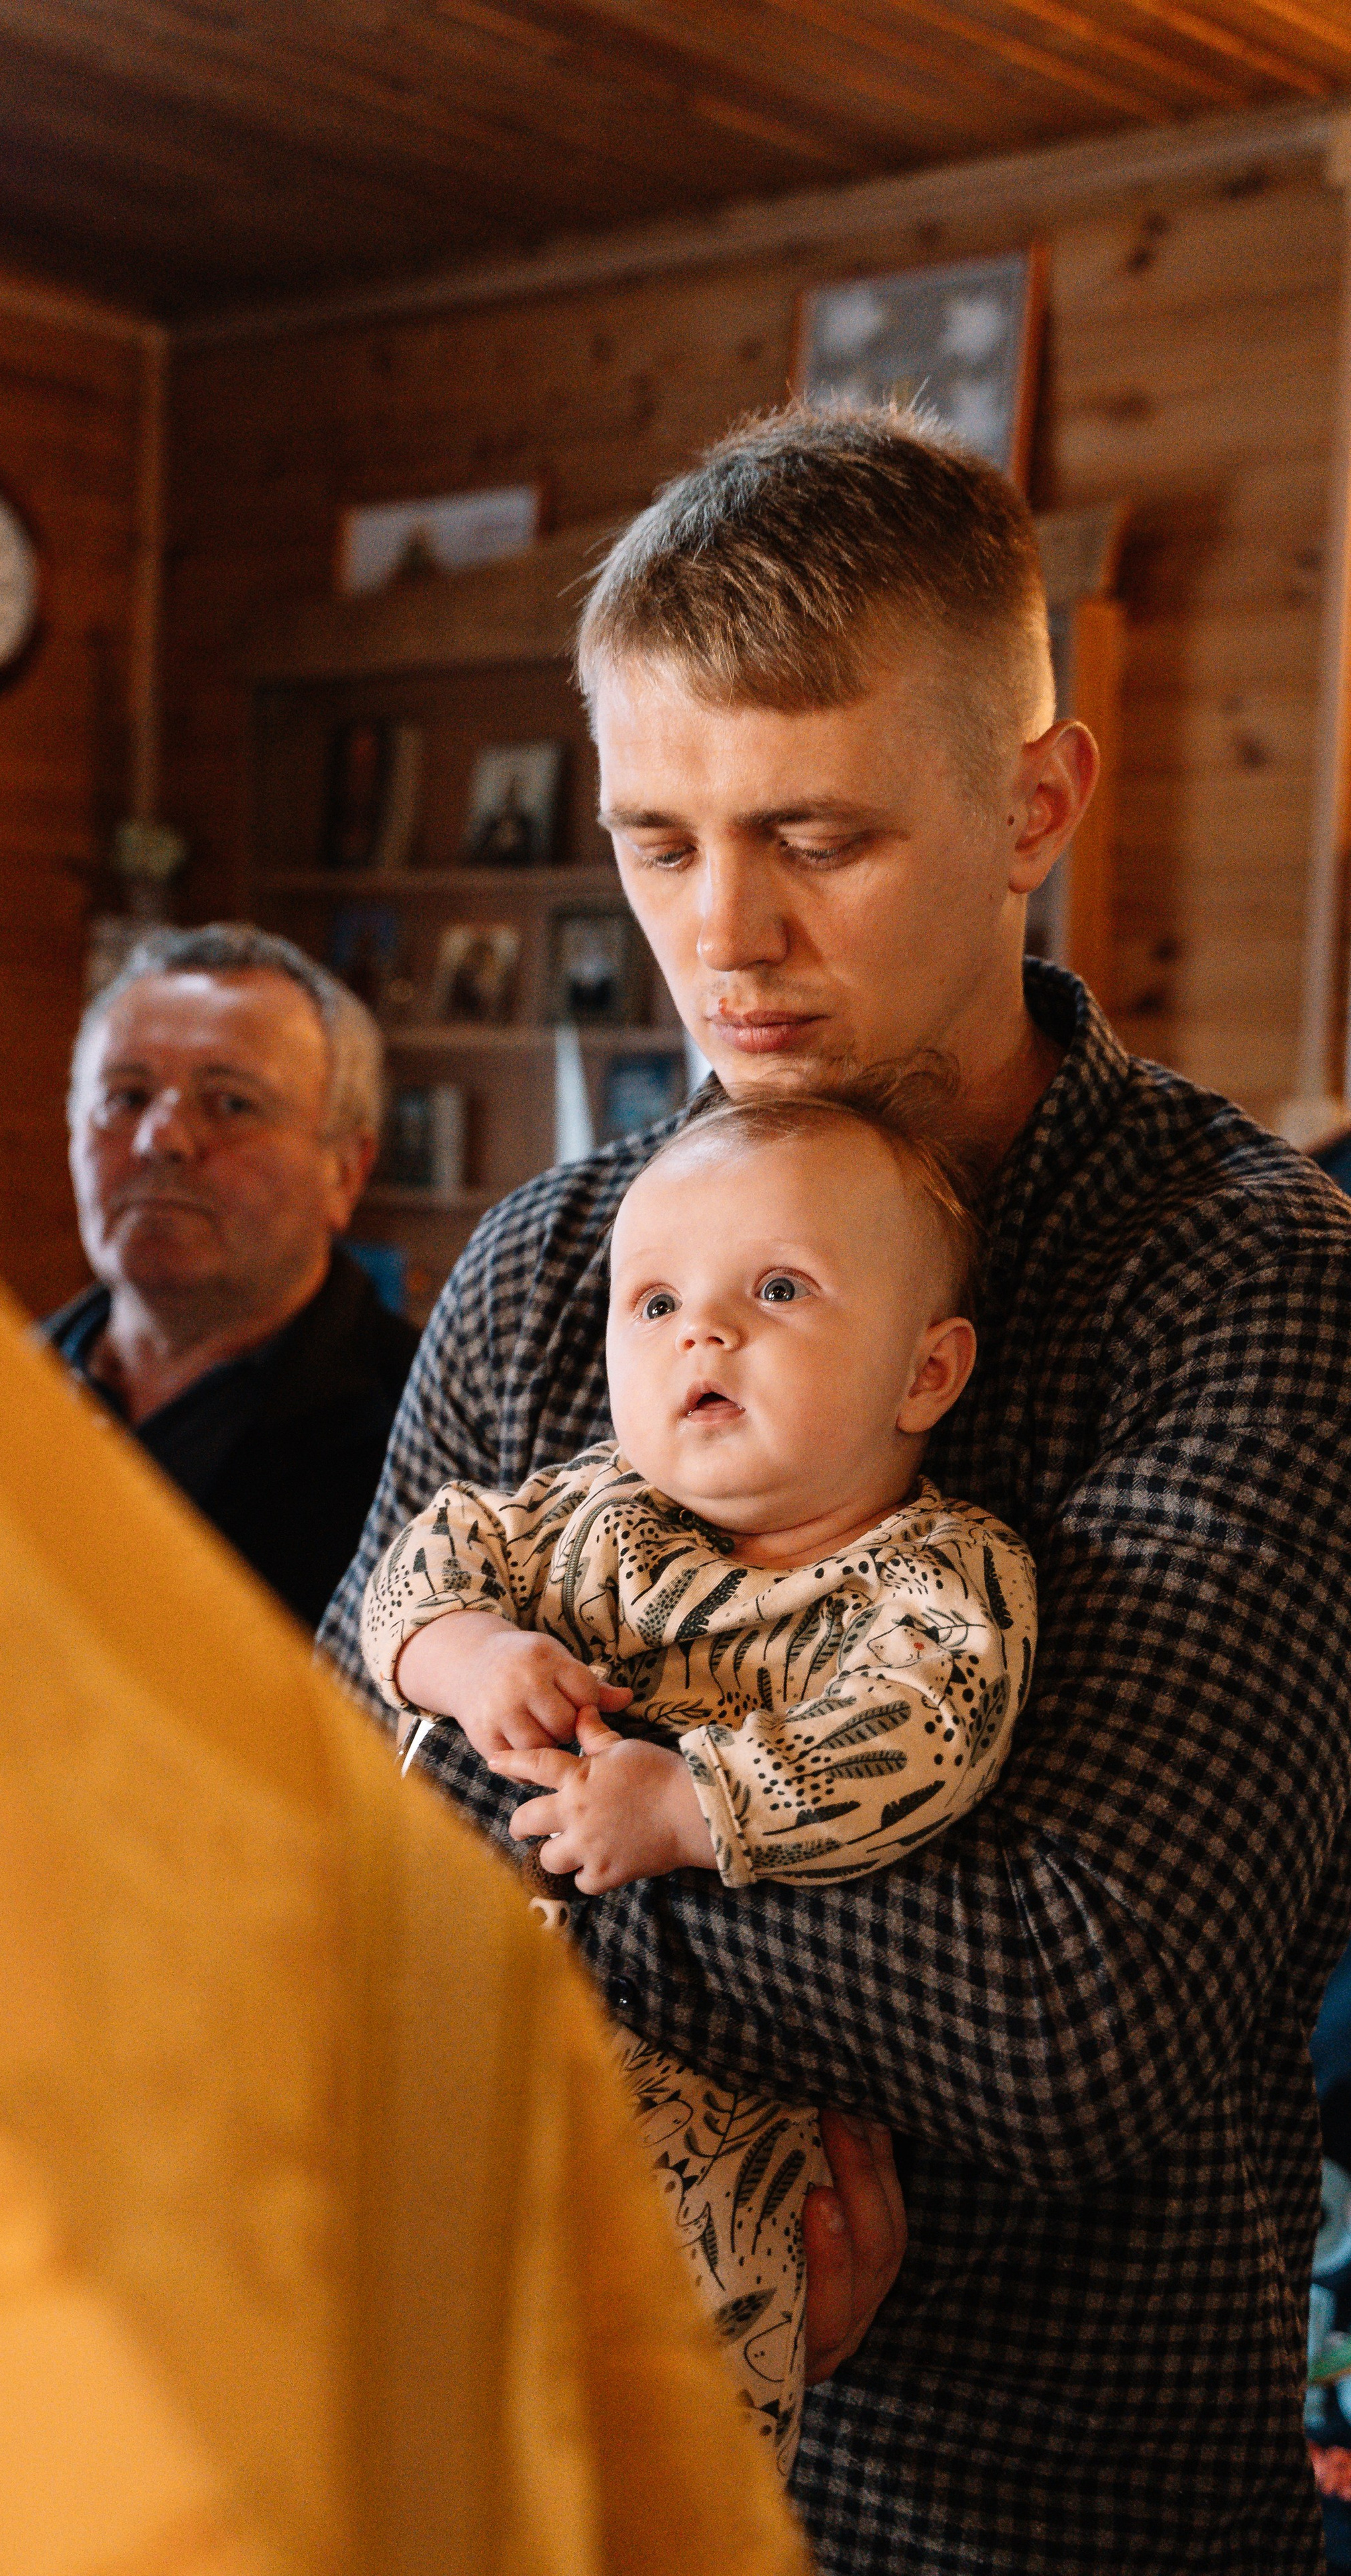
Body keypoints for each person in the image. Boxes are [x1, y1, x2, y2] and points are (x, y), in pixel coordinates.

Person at [0, 1, 825, 2564]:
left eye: (221, 1110)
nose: (153, 1152)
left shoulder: (446, 1413)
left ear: (343, 1154)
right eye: (114, 1105)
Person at [321, 405, 1351, 2575]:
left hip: (1049, 2513)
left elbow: (1077, 2013)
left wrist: (575, 1867)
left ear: (1033, 805)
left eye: (820, 836)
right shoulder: (548, 1262)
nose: (727, 939)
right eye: (660, 841)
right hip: (559, 2447)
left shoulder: (1248, 1276)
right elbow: (336, 1829)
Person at [361, 1082, 1037, 2471]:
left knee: (656, 2422)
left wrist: (691, 1805)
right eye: (653, 1303)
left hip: (706, 2120)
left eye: (775, 1290)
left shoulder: (933, 1574)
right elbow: (423, 1558)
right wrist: (470, 1653)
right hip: (444, 2064)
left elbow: (922, 1734)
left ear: (926, 1371)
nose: (702, 1333)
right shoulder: (580, 1509)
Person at [45, 925, 418, 1630]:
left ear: (344, 1170)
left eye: (230, 1104)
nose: (161, 1140)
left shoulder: (426, 1435)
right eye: (125, 1097)